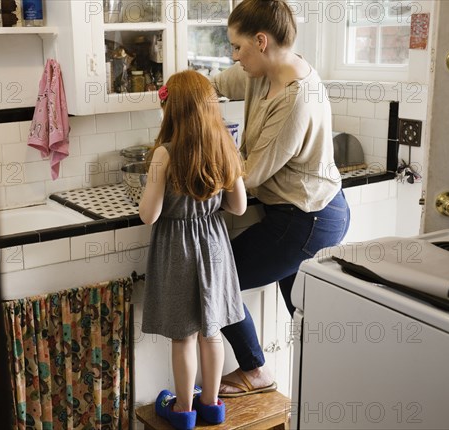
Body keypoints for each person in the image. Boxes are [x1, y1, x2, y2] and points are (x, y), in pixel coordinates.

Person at [210, 0, 351, 397]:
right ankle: (333, 391)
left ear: (260, 41)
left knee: (217, 279)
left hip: (306, 219)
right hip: (301, 212)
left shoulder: (294, 99)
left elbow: (249, 175)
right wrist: (182, 90)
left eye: (237, 47)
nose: (233, 56)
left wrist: (203, 158)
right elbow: (218, 84)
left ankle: (255, 370)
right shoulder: (264, 70)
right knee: (305, 314)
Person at [139, 70, 248, 429]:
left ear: (171, 110)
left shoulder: (164, 155)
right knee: (211, 330)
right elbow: (239, 207)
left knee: (183, 334)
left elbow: (149, 215)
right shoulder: (225, 146)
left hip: (177, 248)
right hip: (214, 244)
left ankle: (183, 410)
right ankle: (212, 404)